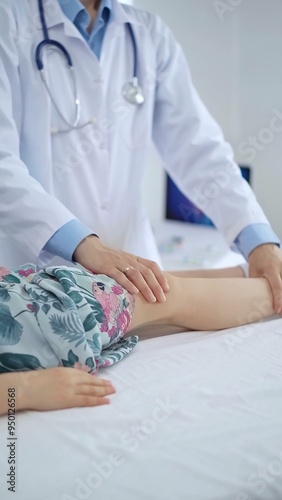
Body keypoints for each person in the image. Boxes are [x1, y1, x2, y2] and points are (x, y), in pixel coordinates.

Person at [0, 0, 282, 312]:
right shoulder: (9, 21)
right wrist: (83, 244)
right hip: (34, 276)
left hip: (136, 276)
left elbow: (200, 149)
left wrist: (258, 240)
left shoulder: (148, 35)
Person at [0, 262, 276, 415]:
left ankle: (253, 274)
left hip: (20, 296)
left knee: (144, 282)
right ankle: (267, 283)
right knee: (155, 293)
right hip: (33, 314)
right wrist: (25, 389)